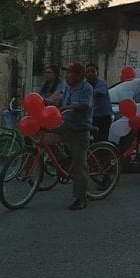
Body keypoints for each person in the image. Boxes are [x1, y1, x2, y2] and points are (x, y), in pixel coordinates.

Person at [52, 61, 93, 210]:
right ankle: (63, 159)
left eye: (70, 73)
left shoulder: (86, 88)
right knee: (43, 135)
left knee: (79, 164)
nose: (67, 76)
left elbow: (84, 105)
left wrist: (68, 107)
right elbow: (57, 104)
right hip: (66, 126)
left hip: (79, 130)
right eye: (67, 73)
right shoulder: (68, 89)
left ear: (79, 75)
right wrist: (43, 102)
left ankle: (81, 198)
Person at [85, 63, 112, 142]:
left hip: (103, 117)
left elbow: (94, 94)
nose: (90, 73)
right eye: (88, 71)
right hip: (91, 117)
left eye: (93, 71)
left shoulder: (101, 84)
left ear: (97, 73)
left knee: (101, 140)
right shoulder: (85, 85)